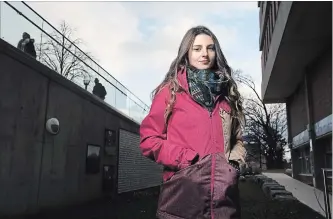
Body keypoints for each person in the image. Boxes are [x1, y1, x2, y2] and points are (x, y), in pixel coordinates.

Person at [139, 26, 247, 219]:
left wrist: (232, 166)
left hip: (225, 206)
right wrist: (186, 160)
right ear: (186, 53)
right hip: (181, 202)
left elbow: (238, 140)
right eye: (197, 49)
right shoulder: (170, 91)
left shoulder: (227, 96)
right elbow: (149, 140)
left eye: (210, 48)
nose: (204, 54)